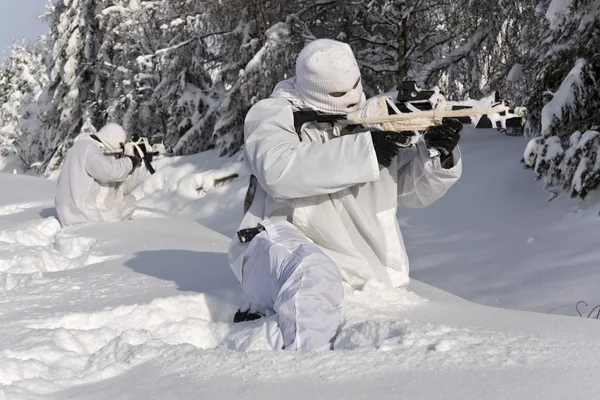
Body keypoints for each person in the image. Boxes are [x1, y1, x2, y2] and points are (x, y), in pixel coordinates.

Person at [228, 39, 463, 351]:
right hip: (274, 242)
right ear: (312, 89)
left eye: (356, 86)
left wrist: (439, 155)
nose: (351, 99)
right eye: (339, 94)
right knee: (313, 276)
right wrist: (367, 150)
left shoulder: (373, 117)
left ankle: (268, 333)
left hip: (353, 262)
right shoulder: (270, 115)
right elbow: (280, 172)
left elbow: (409, 191)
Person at [55, 123, 147, 227]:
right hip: (83, 215)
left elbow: (122, 189)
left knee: (128, 200)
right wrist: (130, 162)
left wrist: (138, 165)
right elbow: (108, 172)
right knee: (128, 203)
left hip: (70, 213)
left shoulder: (82, 147)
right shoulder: (89, 149)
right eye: (120, 145)